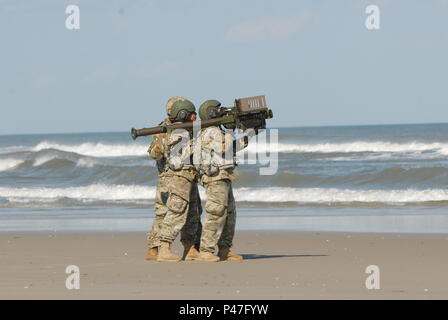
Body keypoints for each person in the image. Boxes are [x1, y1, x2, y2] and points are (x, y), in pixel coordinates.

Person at [195, 99, 255, 262]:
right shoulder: (211, 132)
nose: (222, 111)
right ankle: (206, 251)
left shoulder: (217, 131)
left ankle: (224, 249)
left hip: (224, 176)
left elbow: (232, 148)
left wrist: (251, 133)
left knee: (229, 214)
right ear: (212, 113)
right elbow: (224, 147)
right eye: (218, 109)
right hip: (215, 177)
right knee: (216, 213)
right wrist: (230, 130)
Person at [146, 97, 202, 262]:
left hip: (188, 176)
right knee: (165, 213)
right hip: (169, 177)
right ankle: (155, 249)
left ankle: (190, 248)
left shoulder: (188, 128)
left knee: (193, 212)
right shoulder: (163, 129)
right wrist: (165, 138)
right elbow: (154, 153)